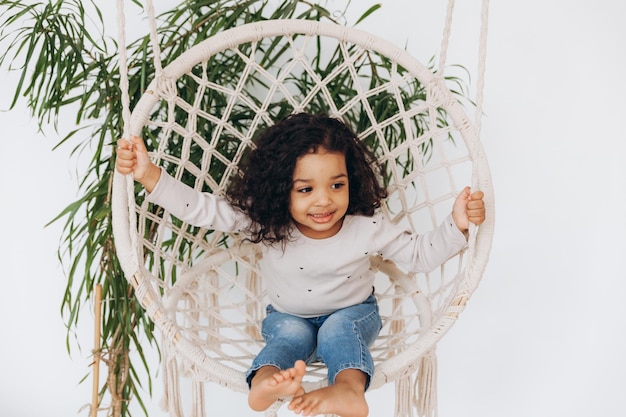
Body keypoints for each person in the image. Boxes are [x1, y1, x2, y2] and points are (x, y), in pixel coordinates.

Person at [116, 112, 486, 417]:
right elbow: (202, 209)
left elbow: (421, 255)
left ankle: (348, 390)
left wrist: (457, 224)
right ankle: (265, 382)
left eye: (337, 185)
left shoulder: (367, 230)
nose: (324, 201)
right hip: (288, 315)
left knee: (337, 332)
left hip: (353, 313)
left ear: (351, 182)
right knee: (287, 338)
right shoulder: (268, 224)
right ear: (280, 189)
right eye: (305, 189)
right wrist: (149, 175)